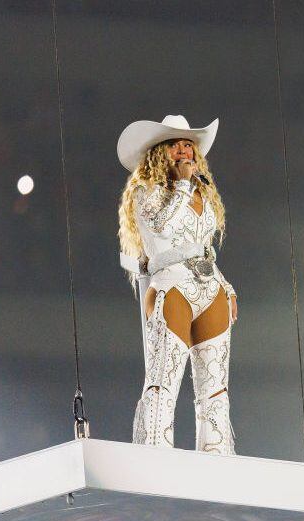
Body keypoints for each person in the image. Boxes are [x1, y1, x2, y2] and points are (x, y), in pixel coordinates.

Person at [116, 115, 238, 455]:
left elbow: (203, 245)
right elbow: (163, 229)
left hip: (210, 286)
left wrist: (225, 285)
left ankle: (217, 466)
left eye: (189, 144)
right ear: (159, 153)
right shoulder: (146, 194)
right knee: (163, 383)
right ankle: (156, 460)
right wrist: (183, 186)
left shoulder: (204, 194)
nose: (185, 150)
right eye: (176, 144)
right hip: (172, 285)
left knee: (215, 391)